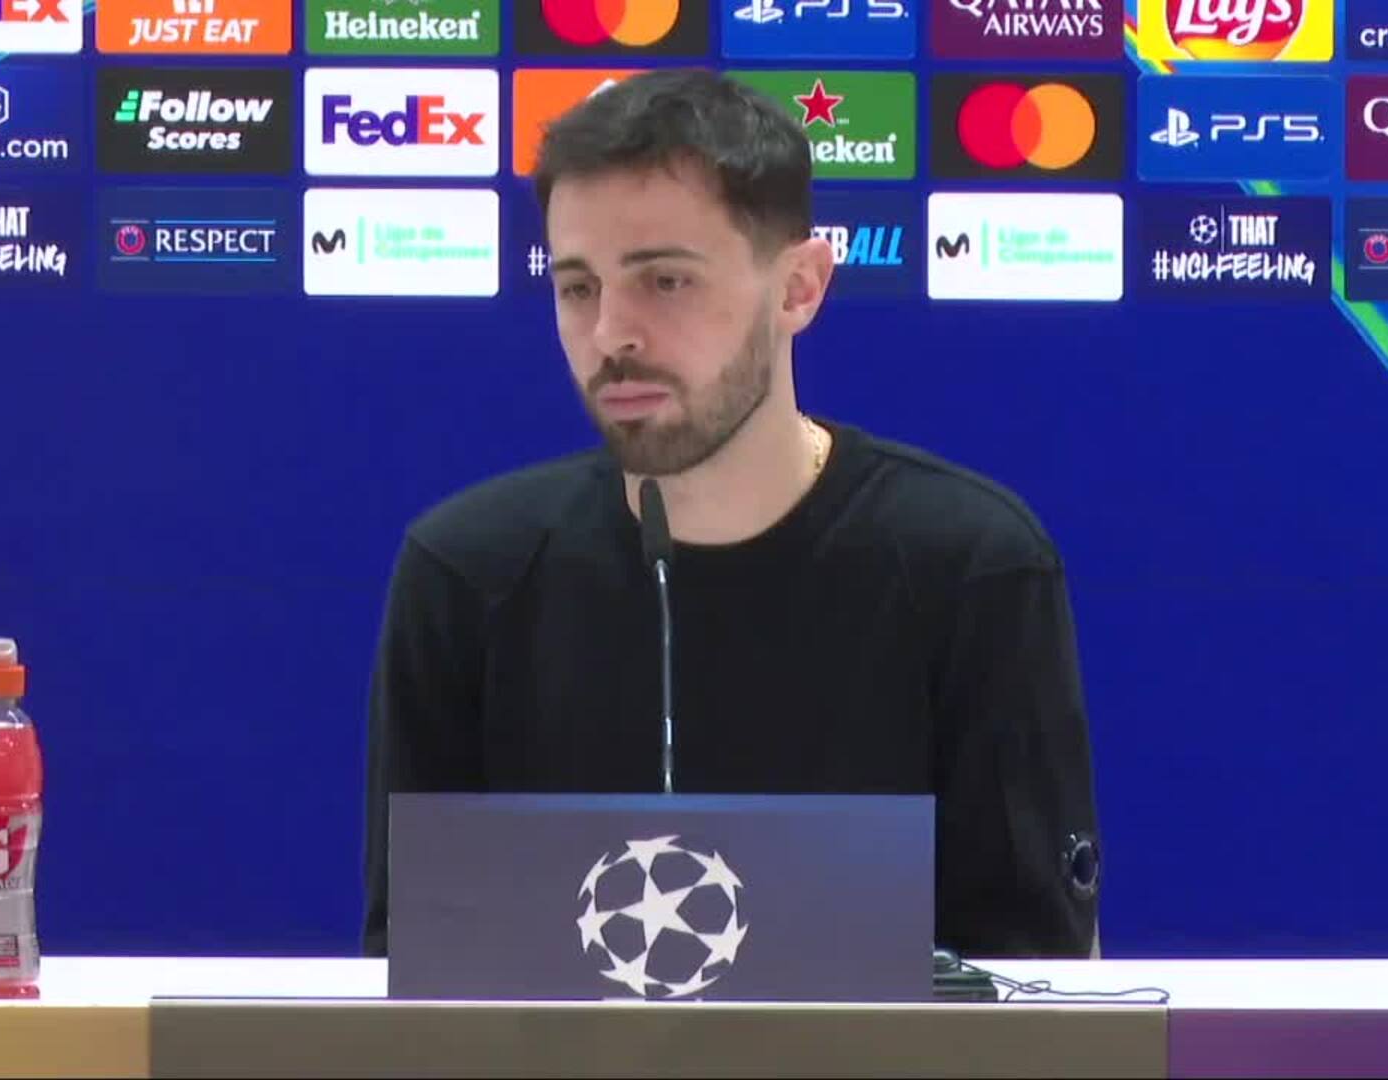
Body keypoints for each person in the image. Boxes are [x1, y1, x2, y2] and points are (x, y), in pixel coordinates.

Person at [359, 68, 1100, 961]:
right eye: (578, 288)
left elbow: (1035, 982)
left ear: (798, 288)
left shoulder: (971, 566)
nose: (611, 334)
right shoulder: (465, 575)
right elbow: (417, 973)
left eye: (665, 281)